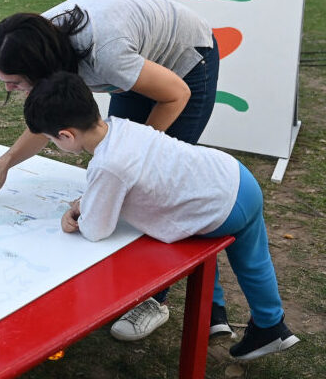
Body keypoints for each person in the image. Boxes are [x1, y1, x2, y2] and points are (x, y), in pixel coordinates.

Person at [0, 0, 219, 341]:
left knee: (154, 187)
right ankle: (213, 304)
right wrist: (5, 161)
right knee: (124, 171)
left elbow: (176, 94)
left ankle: (155, 300)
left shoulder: (107, 55)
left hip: (186, 65)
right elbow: (52, 120)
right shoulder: (36, 42)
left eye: (15, 83)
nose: (11, 89)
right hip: (140, 58)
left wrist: (134, 154)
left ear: (40, 70)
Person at [24, 72, 300, 361]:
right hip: (236, 177)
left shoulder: (107, 165)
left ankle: (214, 310)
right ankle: (270, 325)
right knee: (253, 260)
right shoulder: (121, 127)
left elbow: (96, 229)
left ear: (66, 136)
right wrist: (91, 199)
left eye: (50, 139)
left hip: (218, 210)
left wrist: (76, 214)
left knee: (190, 229)